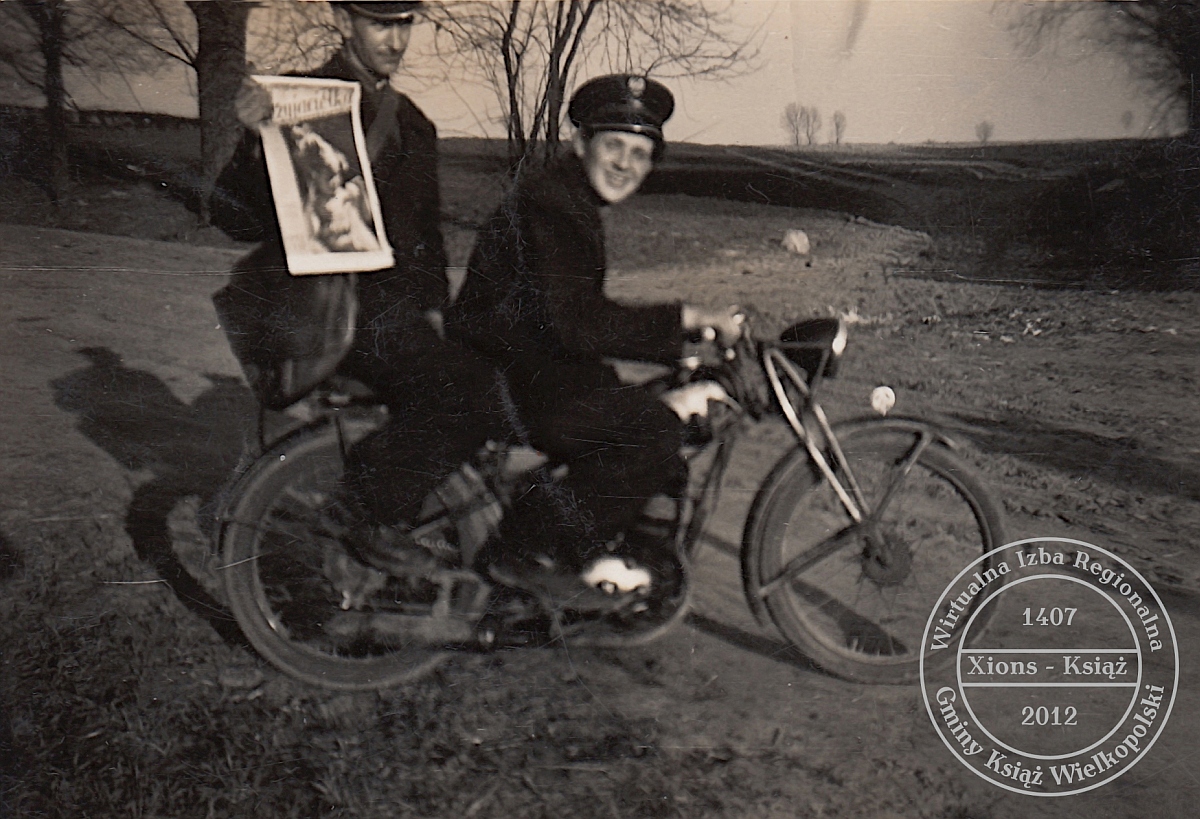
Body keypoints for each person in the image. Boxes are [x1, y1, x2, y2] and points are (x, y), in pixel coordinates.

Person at [210, 1, 504, 571]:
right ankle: (371, 511)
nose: (395, 40)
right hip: (327, 314)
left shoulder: (415, 123)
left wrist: (436, 316)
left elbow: (425, 240)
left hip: (392, 315)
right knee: (471, 392)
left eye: (404, 24)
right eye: (379, 23)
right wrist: (254, 138)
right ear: (345, 22)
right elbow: (233, 217)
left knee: (493, 372)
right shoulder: (292, 99)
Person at [442, 74, 743, 602]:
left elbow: (570, 321)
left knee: (639, 404)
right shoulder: (555, 206)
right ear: (580, 143)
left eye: (640, 154)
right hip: (501, 373)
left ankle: (594, 542)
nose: (625, 165)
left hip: (521, 360)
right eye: (613, 146)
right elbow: (579, 323)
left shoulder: (566, 196)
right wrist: (688, 319)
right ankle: (525, 551)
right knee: (650, 431)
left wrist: (678, 334)